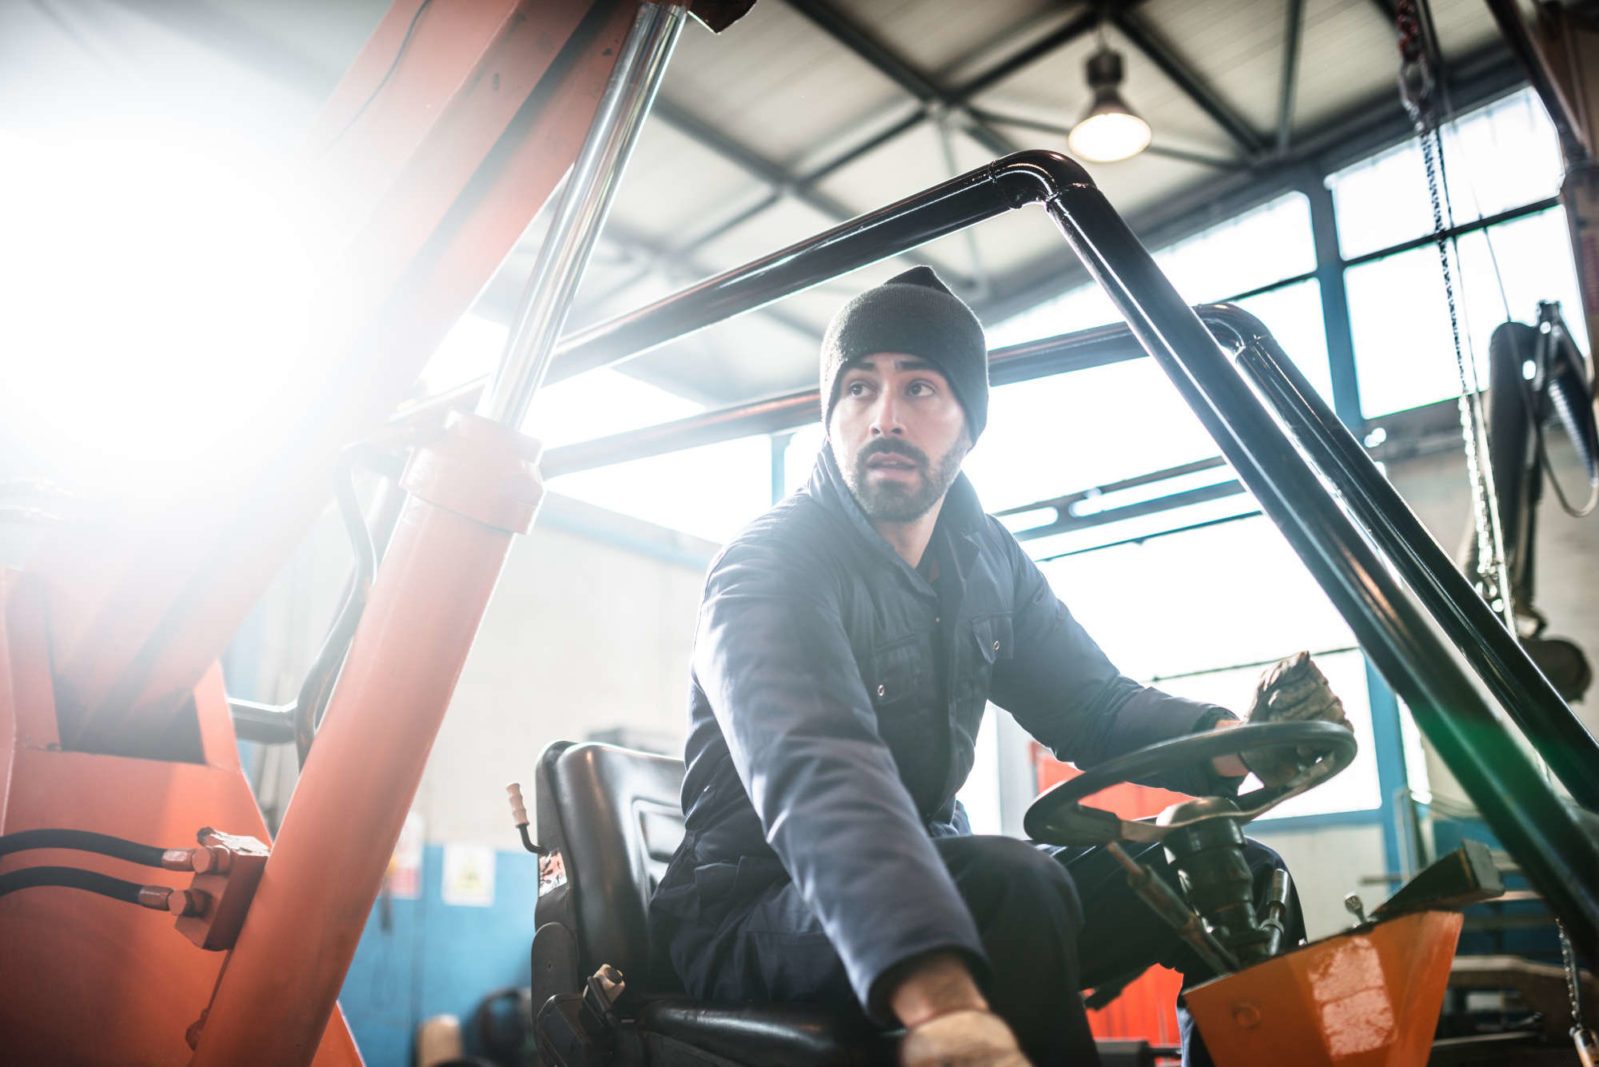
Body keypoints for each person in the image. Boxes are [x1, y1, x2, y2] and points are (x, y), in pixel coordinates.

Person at [648, 266, 1351, 1065]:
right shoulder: (772, 565)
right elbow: (819, 777)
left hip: (933, 884)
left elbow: (1094, 704)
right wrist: (944, 1003)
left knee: (1233, 869)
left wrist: (1234, 742)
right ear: (830, 414)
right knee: (1010, 881)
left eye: (920, 389)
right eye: (857, 389)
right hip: (758, 912)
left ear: (968, 425)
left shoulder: (984, 560)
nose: (884, 418)